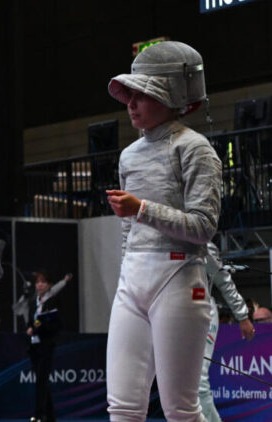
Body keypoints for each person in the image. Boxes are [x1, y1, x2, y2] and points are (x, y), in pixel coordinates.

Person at [105, 41, 222, 422]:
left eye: (143, 95)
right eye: (130, 95)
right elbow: (128, 233)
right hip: (132, 283)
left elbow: (203, 226)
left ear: (172, 97)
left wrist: (142, 209)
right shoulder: (128, 156)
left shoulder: (195, 148)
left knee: (181, 410)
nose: (132, 104)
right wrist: (126, 272)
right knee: (122, 408)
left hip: (179, 277)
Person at [199, 242, 254, 422]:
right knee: (177, 385)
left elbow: (224, 280)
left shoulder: (201, 241)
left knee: (198, 382)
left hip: (203, 312)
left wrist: (242, 315)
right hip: (171, 316)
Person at [26, 271, 73, 422]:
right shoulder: (33, 302)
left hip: (47, 345)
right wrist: (30, 328)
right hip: (34, 346)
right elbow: (31, 321)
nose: (40, 285)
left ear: (49, 285)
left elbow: (57, 324)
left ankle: (39, 415)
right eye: (37, 282)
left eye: (43, 282)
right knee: (42, 382)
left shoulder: (53, 301)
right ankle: (50, 417)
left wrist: (40, 326)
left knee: (41, 380)